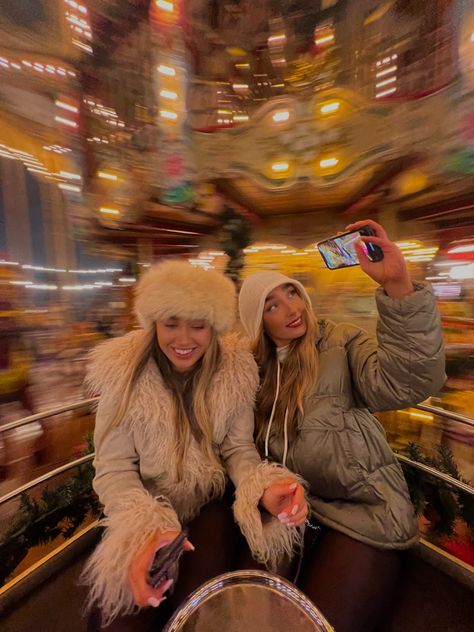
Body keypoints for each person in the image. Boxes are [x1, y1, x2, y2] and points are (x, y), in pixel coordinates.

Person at [238, 219, 446, 632]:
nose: (292, 309)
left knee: (322, 623)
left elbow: (409, 380)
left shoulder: (340, 343)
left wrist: (399, 286)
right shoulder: (248, 375)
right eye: (272, 305)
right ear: (256, 323)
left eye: (292, 293)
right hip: (291, 512)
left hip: (363, 510)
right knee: (249, 608)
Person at [81, 260, 307, 631]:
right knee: (119, 617)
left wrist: (263, 487)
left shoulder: (235, 370)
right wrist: (143, 527)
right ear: (153, 322)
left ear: (213, 327)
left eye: (198, 326)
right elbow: (114, 469)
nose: (183, 340)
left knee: (199, 603)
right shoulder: (122, 374)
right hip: (145, 505)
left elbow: (237, 450)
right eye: (171, 324)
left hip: (208, 502)